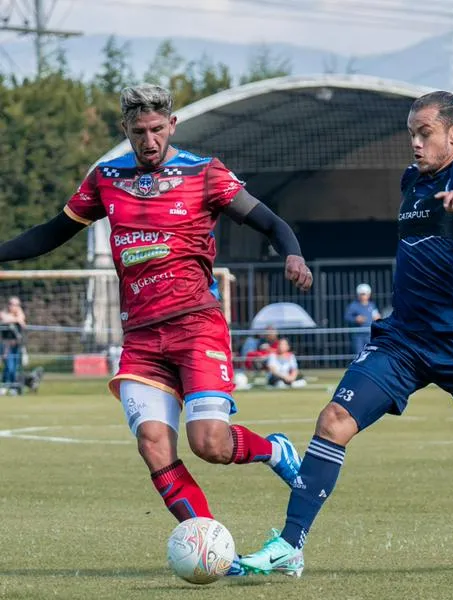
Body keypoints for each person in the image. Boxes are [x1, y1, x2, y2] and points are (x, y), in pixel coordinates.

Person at [241, 91, 453, 577]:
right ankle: (290, 545)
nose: (416, 145)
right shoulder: (411, 180)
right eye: (411, 135)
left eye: (425, 134)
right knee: (334, 420)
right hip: (402, 340)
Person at [0, 83, 314, 576]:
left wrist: (292, 251)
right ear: (124, 130)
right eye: (137, 132)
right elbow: (50, 233)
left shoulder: (204, 172)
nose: (148, 140)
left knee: (209, 443)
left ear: (172, 125)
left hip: (196, 327)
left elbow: (271, 222)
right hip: (143, 339)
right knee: (153, 444)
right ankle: (216, 551)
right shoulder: (105, 178)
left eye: (156, 129)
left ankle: (274, 449)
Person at [344, 283, 381, 356]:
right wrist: (355, 319)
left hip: (370, 335)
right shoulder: (353, 305)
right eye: (362, 294)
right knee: (359, 355)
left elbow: (376, 315)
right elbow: (347, 317)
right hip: (358, 335)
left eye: (365, 294)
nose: (363, 296)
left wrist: (378, 318)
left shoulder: (372, 305)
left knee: (371, 354)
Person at [0, 296, 26, 395]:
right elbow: (4, 318)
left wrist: (16, 318)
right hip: (6, 346)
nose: (13, 306)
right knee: (9, 366)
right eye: (11, 304)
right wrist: (15, 319)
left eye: (16, 305)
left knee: (15, 367)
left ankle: (13, 387)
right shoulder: (4, 313)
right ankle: (5, 385)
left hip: (17, 346)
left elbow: (22, 320)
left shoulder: (20, 314)